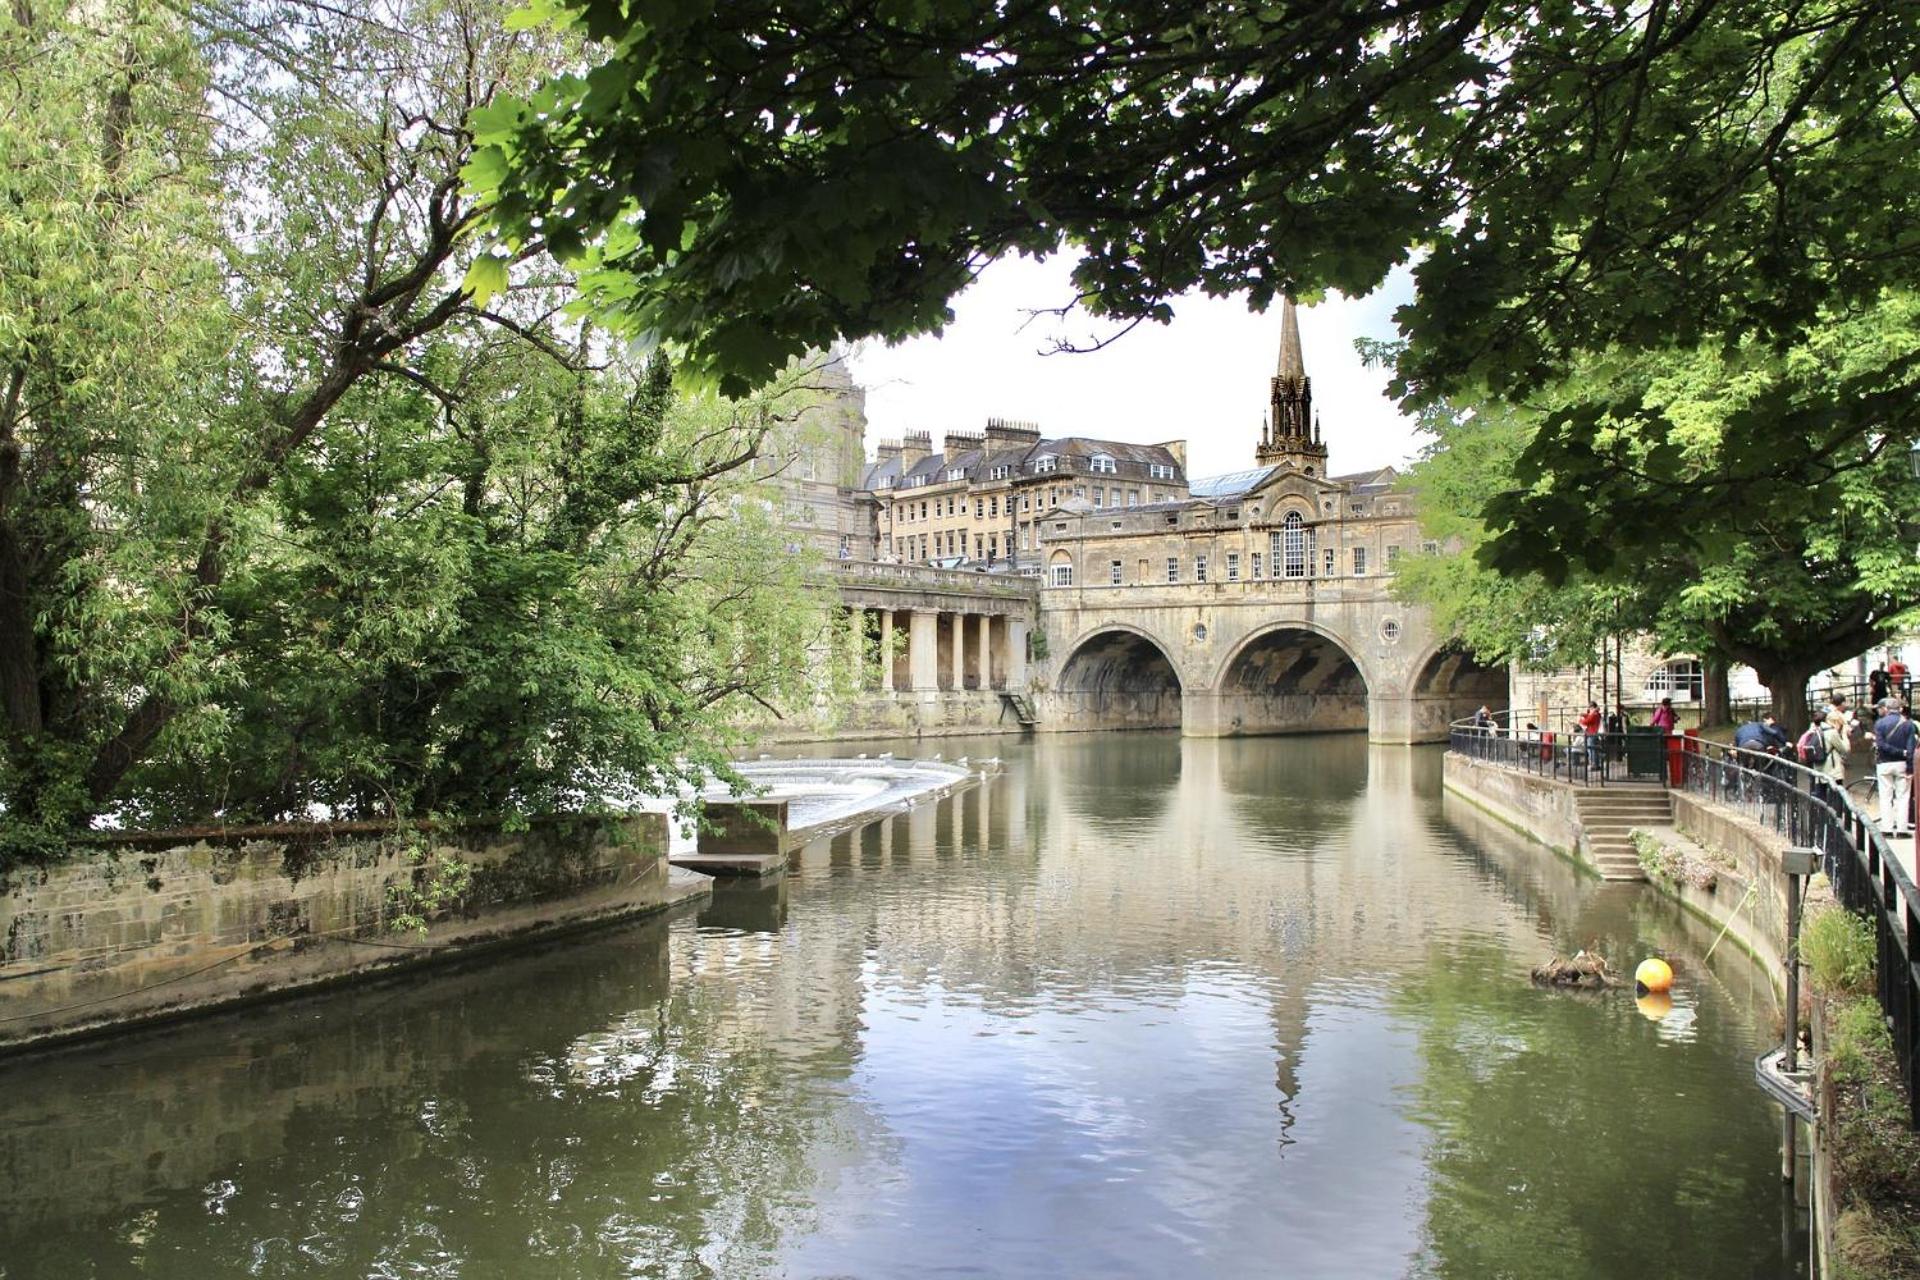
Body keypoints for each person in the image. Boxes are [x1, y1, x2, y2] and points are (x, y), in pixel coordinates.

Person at [1871, 698, 1914, 836]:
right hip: (1902, 763)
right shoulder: (1908, 724)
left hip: (1884, 763)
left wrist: (1895, 751)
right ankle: (1902, 829)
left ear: (1887, 709)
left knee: (1885, 797)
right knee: (1903, 797)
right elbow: (1911, 748)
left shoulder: (1880, 724)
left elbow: (1881, 745)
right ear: (1899, 708)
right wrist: (1909, 765)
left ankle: (1887, 828)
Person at [1576, 701, 1602, 768]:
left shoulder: (1594, 714)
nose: (1589, 710)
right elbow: (1589, 716)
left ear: (1592, 707)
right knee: (1594, 750)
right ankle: (1596, 764)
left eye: (1590, 708)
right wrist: (1584, 715)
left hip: (1592, 734)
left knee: (1591, 751)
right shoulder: (1596, 714)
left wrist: (1580, 720)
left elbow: (1587, 721)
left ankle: (1593, 765)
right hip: (1594, 734)